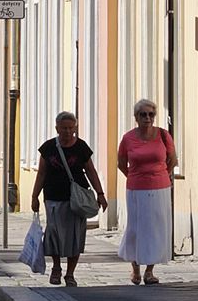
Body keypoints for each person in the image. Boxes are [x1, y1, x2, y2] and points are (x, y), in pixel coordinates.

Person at [29, 110, 107, 285]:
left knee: (75, 236)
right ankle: (56, 268)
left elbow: (91, 172)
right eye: (64, 128)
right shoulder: (48, 148)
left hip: (76, 199)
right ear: (57, 128)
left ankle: (70, 273)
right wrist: (35, 196)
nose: (67, 131)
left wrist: (100, 194)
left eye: (71, 128)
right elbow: (41, 174)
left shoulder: (81, 147)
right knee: (54, 234)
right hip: (53, 197)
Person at [117, 98, 177, 284]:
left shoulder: (163, 135)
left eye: (151, 114)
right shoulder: (128, 138)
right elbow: (121, 163)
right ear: (136, 117)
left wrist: (163, 175)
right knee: (136, 227)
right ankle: (135, 268)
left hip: (160, 188)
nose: (147, 118)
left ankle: (150, 271)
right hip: (136, 188)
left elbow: (172, 160)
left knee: (156, 228)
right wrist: (135, 176)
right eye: (143, 114)